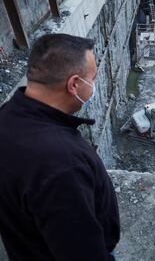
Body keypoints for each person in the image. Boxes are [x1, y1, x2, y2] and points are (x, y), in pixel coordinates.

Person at [0, 34, 120, 260]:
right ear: (74, 84)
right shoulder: (62, 164)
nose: (92, 87)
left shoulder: (8, 116)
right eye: (92, 79)